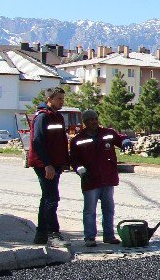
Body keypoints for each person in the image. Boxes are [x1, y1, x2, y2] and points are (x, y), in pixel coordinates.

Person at [70, 110, 126, 247]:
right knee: (90, 210)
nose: (94, 122)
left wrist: (126, 141)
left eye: (95, 119)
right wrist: (80, 170)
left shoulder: (108, 133)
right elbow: (73, 159)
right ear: (85, 122)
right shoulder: (77, 140)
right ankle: (89, 237)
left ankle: (109, 235)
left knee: (108, 209)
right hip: (91, 180)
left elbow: (119, 139)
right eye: (90, 120)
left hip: (107, 178)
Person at [27, 87, 70, 244]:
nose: (61, 101)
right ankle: (52, 234)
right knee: (51, 198)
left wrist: (63, 162)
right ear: (49, 99)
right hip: (44, 165)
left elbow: (60, 142)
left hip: (55, 164)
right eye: (58, 98)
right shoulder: (42, 117)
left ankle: (41, 235)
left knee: (48, 198)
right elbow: (37, 141)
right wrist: (47, 164)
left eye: (62, 98)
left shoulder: (58, 117)